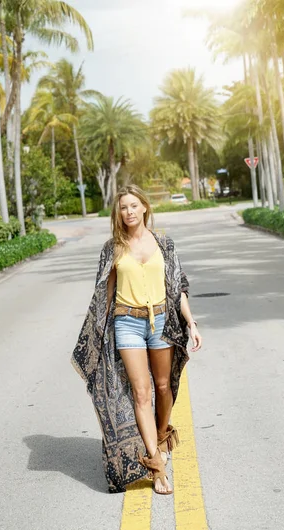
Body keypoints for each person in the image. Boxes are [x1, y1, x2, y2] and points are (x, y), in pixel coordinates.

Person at [71, 185, 202, 495]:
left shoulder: (165, 245)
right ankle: (156, 465)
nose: (128, 212)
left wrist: (191, 323)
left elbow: (178, 287)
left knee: (163, 387)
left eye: (133, 206)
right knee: (142, 394)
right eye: (123, 208)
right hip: (127, 323)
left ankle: (160, 433)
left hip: (161, 323)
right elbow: (103, 294)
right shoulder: (113, 248)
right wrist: (98, 339)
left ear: (144, 207)